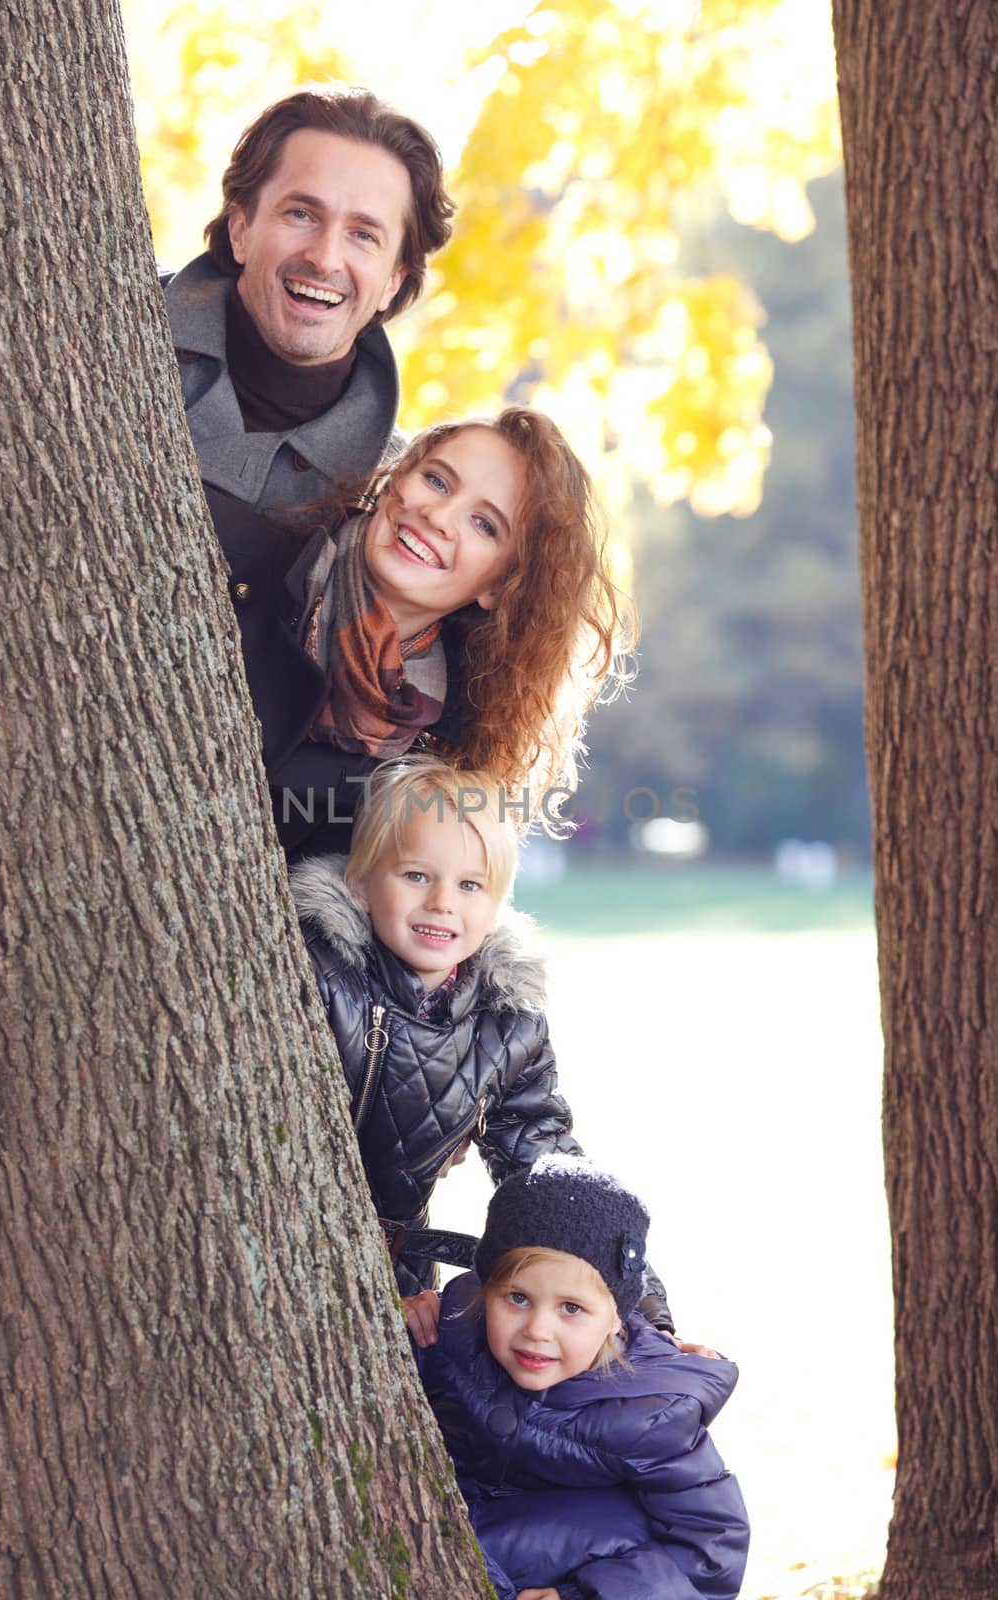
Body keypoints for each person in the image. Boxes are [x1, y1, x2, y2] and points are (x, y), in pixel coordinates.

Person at [290, 756, 675, 1333]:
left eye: (470, 885)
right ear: (362, 884)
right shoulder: (317, 974)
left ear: (497, 908)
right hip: (290, 1245)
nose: (444, 902)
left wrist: (649, 1323)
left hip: (398, 1281)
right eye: (417, 876)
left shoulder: (506, 1022)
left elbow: (551, 1171)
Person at [212, 406, 627, 857]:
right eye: (437, 481)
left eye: (484, 524)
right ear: (397, 478)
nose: (439, 515)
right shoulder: (240, 557)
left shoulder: (435, 766)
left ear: (499, 587)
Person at [404, 1156, 750, 1600]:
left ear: (615, 1319)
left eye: (571, 1308)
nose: (537, 1330)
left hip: (561, 1550)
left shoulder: (650, 1413)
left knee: (621, 1528)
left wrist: (586, 1595)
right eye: (517, 1297)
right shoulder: (453, 1331)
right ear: (484, 1290)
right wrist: (403, 1313)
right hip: (457, 1517)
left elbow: (712, 1549)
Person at [161, 85, 454, 515]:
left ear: (393, 281)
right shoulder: (112, 316)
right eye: (302, 214)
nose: (324, 258)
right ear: (241, 230)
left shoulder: (389, 499)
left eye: (363, 235)